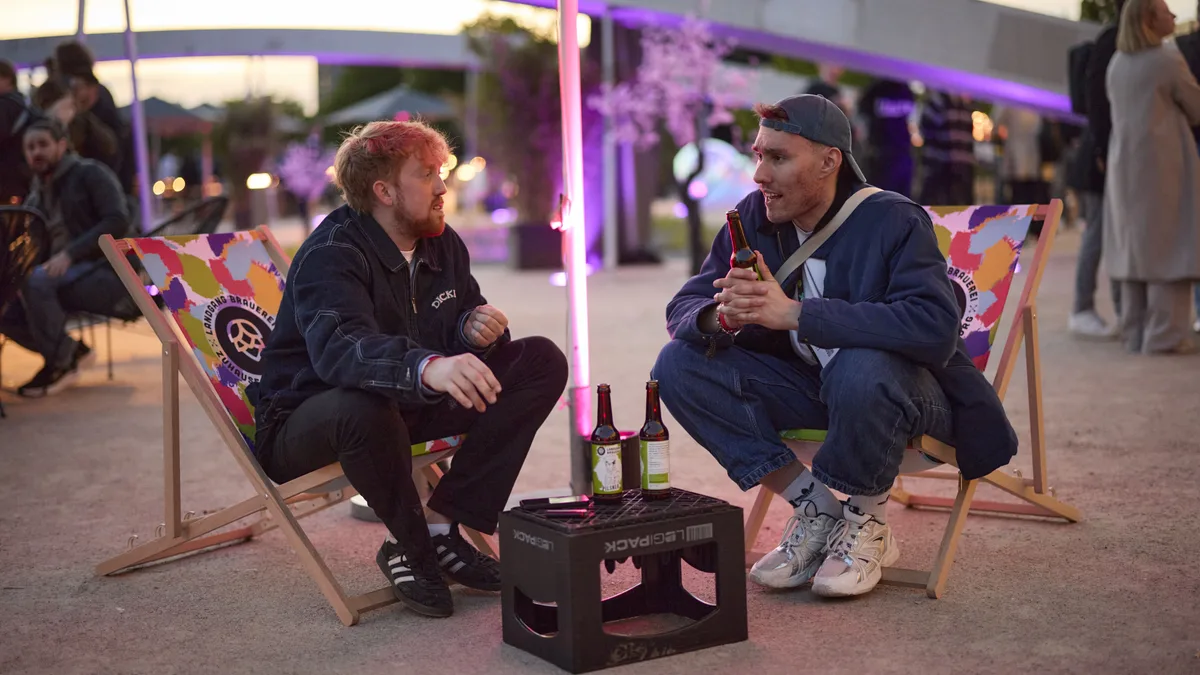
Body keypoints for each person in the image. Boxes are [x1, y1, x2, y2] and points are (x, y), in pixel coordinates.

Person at [651, 95, 1015, 598]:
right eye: (758, 155)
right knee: (678, 363)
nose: (759, 173)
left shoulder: (893, 220)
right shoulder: (753, 217)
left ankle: (867, 521)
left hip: (912, 400)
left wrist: (797, 314)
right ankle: (816, 507)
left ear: (829, 161)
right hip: (817, 389)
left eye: (778, 157)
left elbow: (934, 327)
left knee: (861, 363)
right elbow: (686, 304)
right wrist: (722, 316)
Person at [247, 120, 568, 618]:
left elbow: (457, 321)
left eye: (441, 172)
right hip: (306, 422)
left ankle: (443, 525)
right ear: (385, 191)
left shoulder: (441, 243)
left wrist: (471, 329)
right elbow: (341, 349)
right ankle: (411, 547)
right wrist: (428, 367)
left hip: (407, 405)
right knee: (360, 405)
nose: (443, 187)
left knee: (540, 360)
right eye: (426, 175)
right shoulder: (331, 254)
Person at [0, 118, 135, 396]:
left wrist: (70, 254)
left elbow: (117, 220)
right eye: (30, 147)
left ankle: (60, 363)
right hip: (63, 278)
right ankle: (71, 351)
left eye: (43, 145)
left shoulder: (91, 173)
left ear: (62, 145)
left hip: (108, 274)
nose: (36, 152)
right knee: (4, 310)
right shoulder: (36, 192)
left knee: (36, 282)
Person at [1103, 0, 1200, 354]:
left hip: (1124, 166)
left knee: (1135, 251)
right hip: (1163, 164)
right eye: (1166, 11)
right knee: (1168, 247)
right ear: (1149, 20)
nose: (1173, 16)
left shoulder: (1117, 64)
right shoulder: (1166, 59)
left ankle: (1134, 332)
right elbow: (1196, 105)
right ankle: (1165, 335)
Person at [1067, 0, 1128, 339]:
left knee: (1109, 235)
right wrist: (1105, 150)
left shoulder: (1114, 38)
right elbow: (1098, 103)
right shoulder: (1113, 40)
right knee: (1098, 235)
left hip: (1101, 156)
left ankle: (1111, 309)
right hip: (1099, 161)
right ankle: (1081, 307)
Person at [856, 78, 916, 197]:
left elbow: (911, 120)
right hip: (881, 155)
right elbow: (861, 117)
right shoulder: (875, 90)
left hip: (902, 153)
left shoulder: (907, 91)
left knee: (903, 200)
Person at [0, 58, 36, 204]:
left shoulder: (5, 106)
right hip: (21, 178)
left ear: (7, 79)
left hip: (6, 179)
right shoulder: (23, 105)